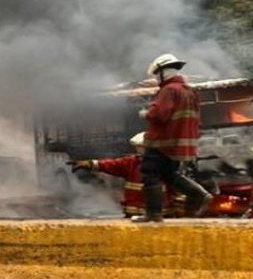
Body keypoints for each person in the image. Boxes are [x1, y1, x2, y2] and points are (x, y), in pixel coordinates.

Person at [135, 53, 212, 223]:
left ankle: (153, 214)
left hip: (163, 141)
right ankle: (200, 195)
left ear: (164, 72)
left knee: (149, 171)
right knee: (169, 174)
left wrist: (146, 113)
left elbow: (160, 115)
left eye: (157, 74)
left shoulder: (169, 90)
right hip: (180, 143)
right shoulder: (190, 91)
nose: (156, 78)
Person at [71, 132, 170, 218]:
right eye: (137, 147)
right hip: (134, 214)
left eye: (140, 147)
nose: (138, 149)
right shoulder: (131, 162)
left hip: (159, 214)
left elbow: (175, 185)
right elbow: (111, 164)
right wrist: (90, 164)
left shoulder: (164, 163)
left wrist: (179, 204)